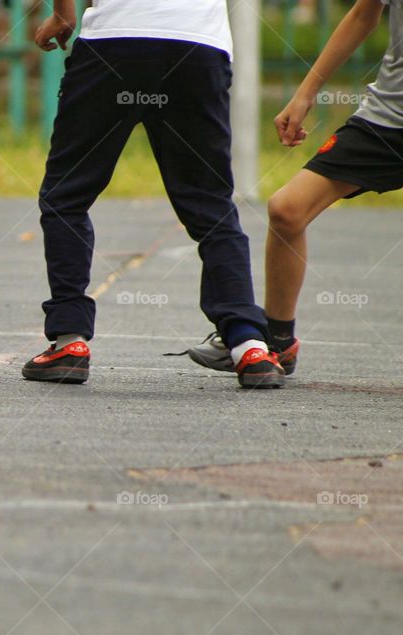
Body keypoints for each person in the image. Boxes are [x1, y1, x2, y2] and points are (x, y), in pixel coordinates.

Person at [22, 0, 285, 388]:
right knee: (210, 203)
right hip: (198, 45)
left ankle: (69, 342)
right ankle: (249, 345)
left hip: (116, 40)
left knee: (67, 195)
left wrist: (63, 14)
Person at [186, 0, 389, 377]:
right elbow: (364, 13)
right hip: (388, 120)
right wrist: (306, 93)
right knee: (286, 209)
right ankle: (279, 340)